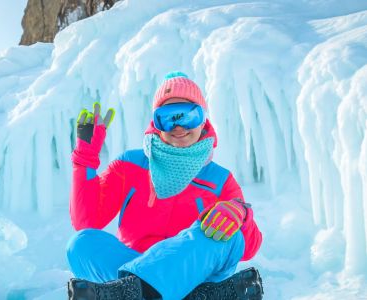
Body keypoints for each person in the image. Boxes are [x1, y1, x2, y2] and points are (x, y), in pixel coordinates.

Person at [66, 72, 263, 300]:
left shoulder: (219, 180)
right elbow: (87, 221)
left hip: (192, 273)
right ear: (155, 123)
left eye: (188, 116)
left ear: (203, 119)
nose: (178, 127)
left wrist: (240, 214)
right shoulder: (130, 165)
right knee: (81, 244)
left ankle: (138, 292)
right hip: (131, 267)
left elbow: (248, 248)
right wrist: (85, 159)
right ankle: (193, 296)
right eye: (167, 118)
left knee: (230, 235)